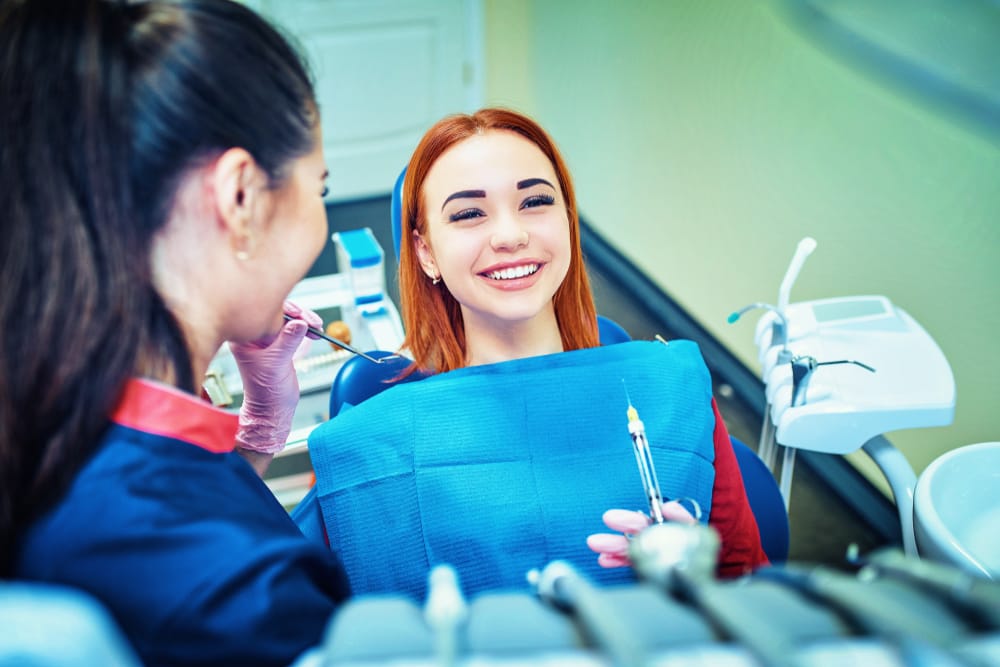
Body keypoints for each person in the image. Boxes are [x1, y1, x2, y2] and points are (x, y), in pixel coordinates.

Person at [1, 1, 350, 665]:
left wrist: (255, 434)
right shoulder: (246, 594)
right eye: (320, 189)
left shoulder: (46, 397)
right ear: (241, 198)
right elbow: (184, 539)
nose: (320, 217)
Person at [306, 108, 769, 601]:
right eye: (468, 213)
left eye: (535, 202)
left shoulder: (671, 393)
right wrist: (257, 441)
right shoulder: (373, 442)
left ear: (567, 221)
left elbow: (750, 586)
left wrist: (700, 573)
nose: (510, 235)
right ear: (425, 253)